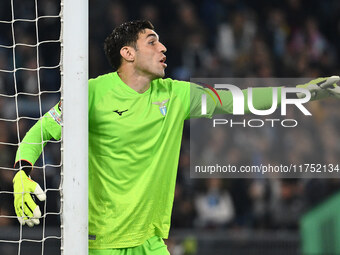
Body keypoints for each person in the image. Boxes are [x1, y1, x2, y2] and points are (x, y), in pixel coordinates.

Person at [12, 20, 340, 254]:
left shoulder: (176, 94)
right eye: (152, 41)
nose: (163, 47)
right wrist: (22, 174)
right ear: (128, 53)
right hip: (98, 242)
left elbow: (238, 99)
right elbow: (42, 130)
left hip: (151, 242)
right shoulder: (93, 93)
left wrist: (301, 93)